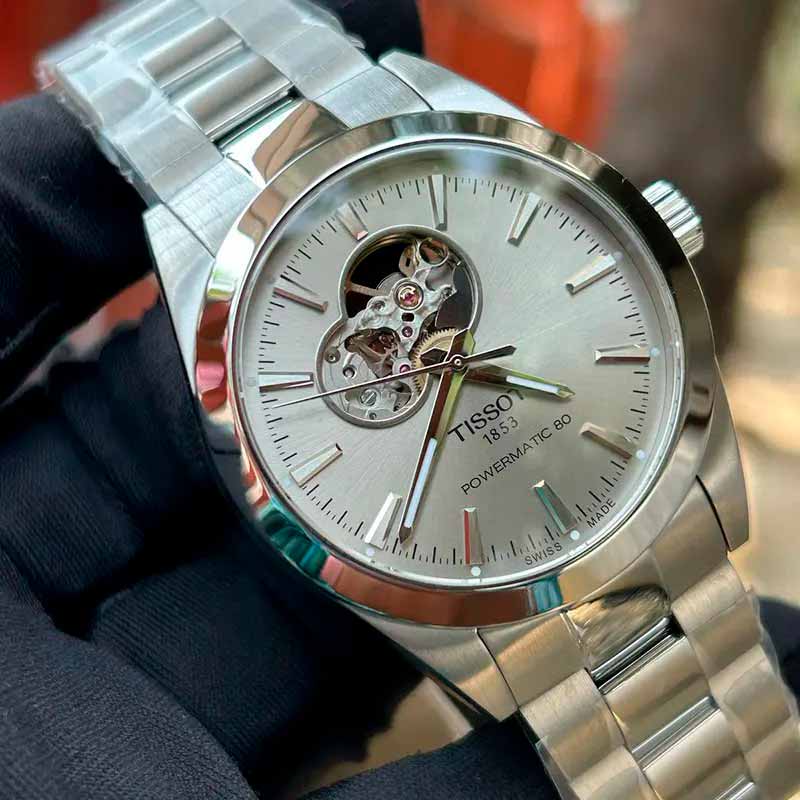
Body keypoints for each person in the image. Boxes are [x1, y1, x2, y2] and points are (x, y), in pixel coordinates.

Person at [0, 2, 797, 797]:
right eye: (404, 352)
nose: (444, 364)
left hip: (631, 490)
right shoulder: (239, 314)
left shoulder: (460, 151)